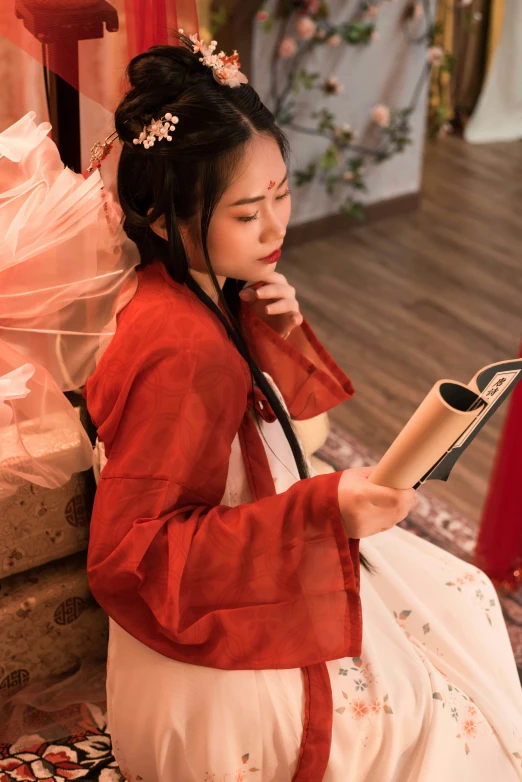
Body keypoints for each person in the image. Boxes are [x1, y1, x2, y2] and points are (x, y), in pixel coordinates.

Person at [83, 32, 522, 782]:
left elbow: (269, 426)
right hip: (211, 651)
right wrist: (324, 512)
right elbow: (131, 556)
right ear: (163, 217)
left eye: (282, 195)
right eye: (248, 214)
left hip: (244, 535)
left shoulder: (186, 288)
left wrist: (262, 322)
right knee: (436, 695)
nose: (278, 228)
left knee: (457, 596)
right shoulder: (183, 351)